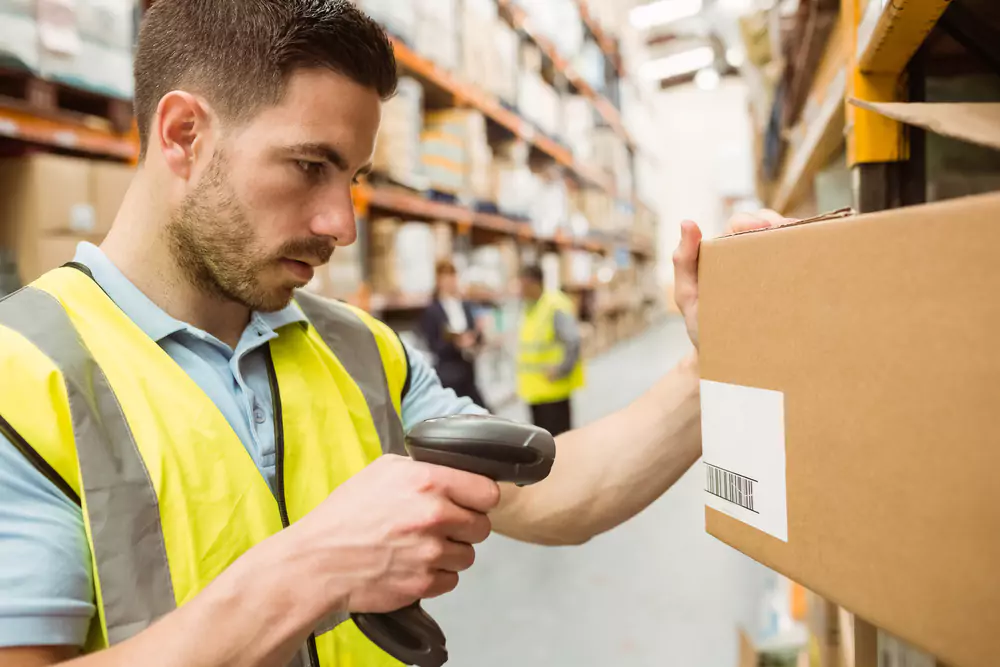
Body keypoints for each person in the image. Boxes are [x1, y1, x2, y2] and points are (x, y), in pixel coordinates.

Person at [0, 2, 785, 665]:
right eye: (310, 165)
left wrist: (709, 363)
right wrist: (311, 572)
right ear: (182, 134)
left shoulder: (359, 350)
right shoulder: (23, 378)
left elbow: (560, 494)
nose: (341, 224)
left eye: (354, 178)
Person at [515, 265, 584, 436]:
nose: (520, 289)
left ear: (534, 283)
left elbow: (573, 341)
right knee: (542, 443)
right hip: (535, 392)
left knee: (560, 443)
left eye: (523, 284)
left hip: (554, 392)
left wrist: (561, 369)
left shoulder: (554, 306)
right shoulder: (529, 308)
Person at [419, 260, 488, 409]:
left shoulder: (465, 305)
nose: (450, 281)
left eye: (452, 276)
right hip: (448, 374)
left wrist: (477, 334)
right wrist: (456, 343)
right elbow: (433, 344)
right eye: (445, 277)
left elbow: (478, 336)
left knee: (482, 412)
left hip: (468, 371)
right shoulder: (432, 311)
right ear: (438, 281)